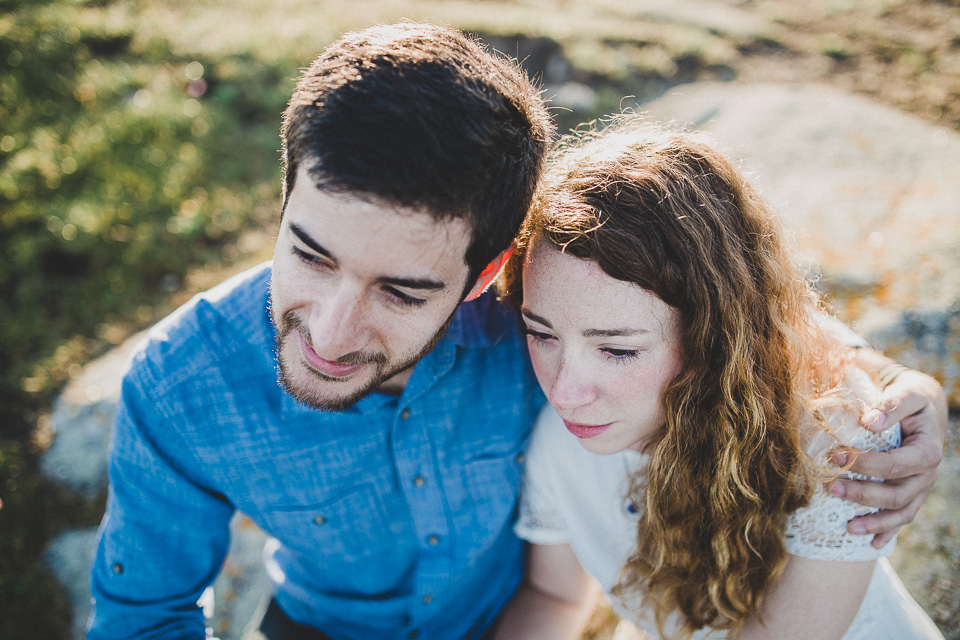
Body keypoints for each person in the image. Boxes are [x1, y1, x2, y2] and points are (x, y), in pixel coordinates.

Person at [88, 22, 945, 640]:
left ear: (487, 275)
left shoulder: (530, 317)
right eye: (310, 255)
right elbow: (142, 618)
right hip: (320, 625)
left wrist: (890, 387)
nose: (332, 332)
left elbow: (705, 312)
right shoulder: (176, 389)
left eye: (401, 290)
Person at [495, 119, 946, 640]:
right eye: (542, 334)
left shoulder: (836, 445)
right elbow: (554, 596)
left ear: (716, 337)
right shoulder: (562, 442)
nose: (563, 391)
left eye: (617, 350)